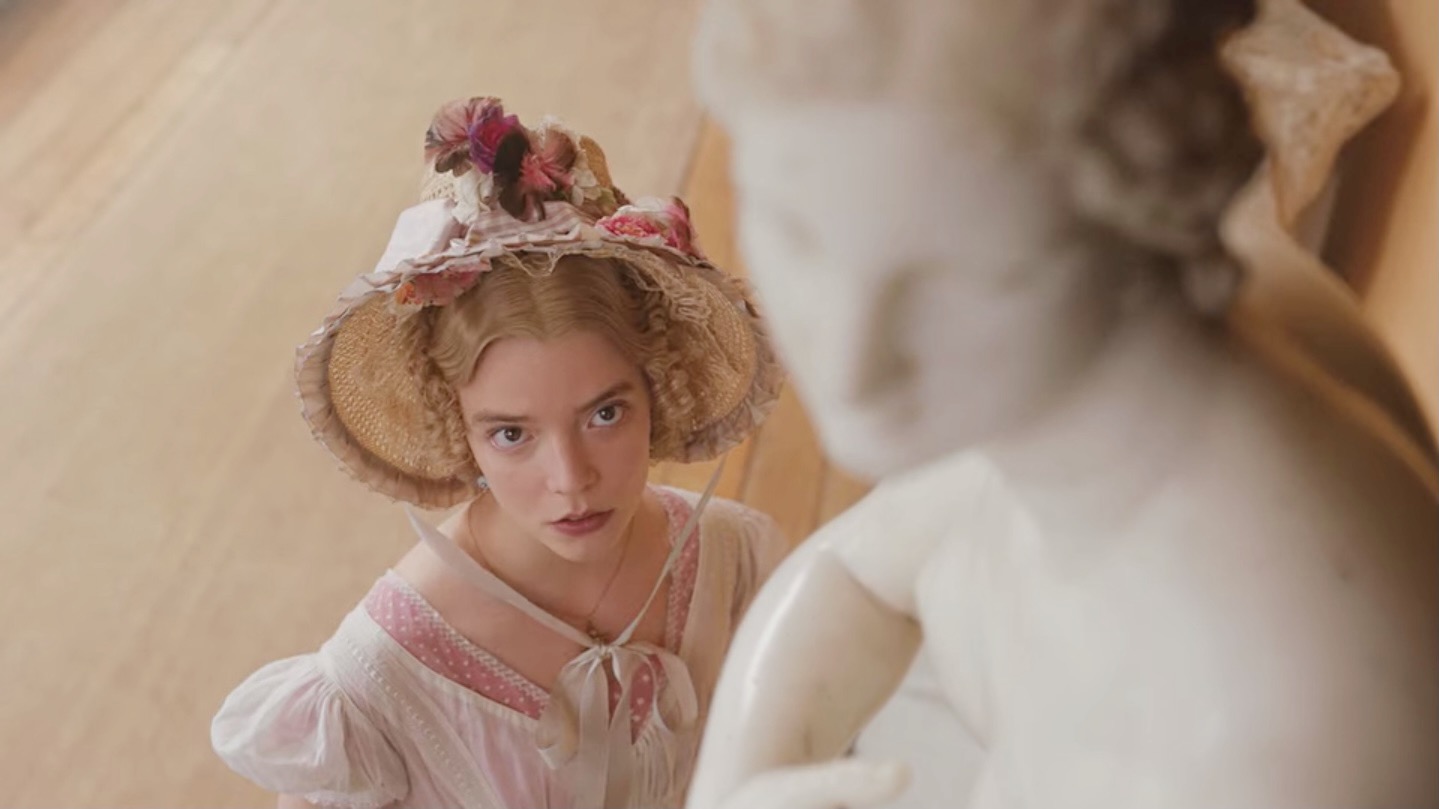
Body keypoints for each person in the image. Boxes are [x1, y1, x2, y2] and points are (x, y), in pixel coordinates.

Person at [683, 1, 1439, 807]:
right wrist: (732, 784)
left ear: (1143, 210)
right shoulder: (1062, 390)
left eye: (963, 282)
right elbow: (858, 564)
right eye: (795, 233)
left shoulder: (1260, 736)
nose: (849, 366)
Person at [211, 96, 788, 809]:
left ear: (659, 387)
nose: (570, 480)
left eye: (604, 414)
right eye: (511, 434)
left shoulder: (734, 562)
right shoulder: (380, 680)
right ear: (454, 421)